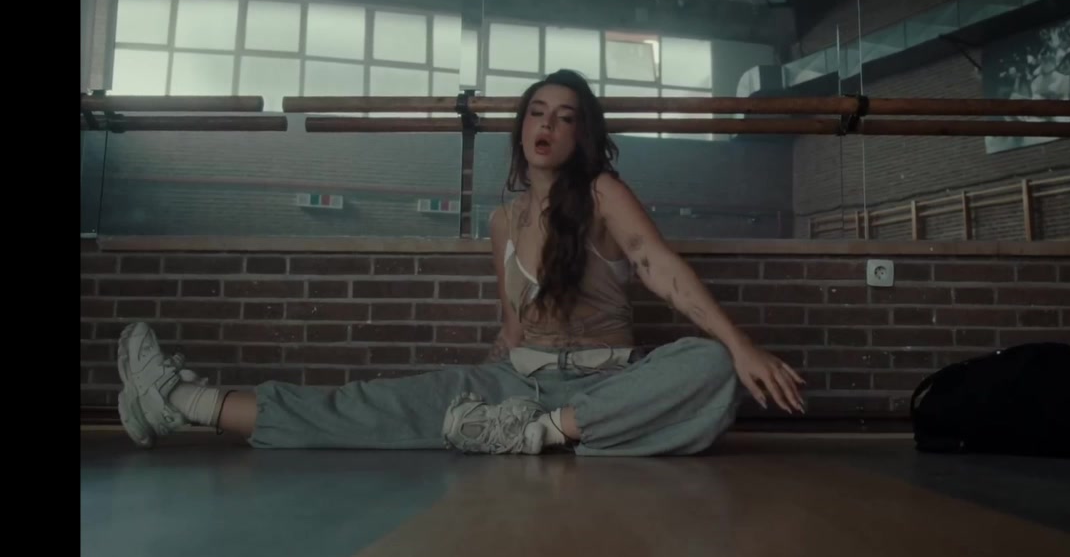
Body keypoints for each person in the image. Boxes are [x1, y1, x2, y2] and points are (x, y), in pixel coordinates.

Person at [115, 69, 806, 456]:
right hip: (514, 384)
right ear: (522, 127)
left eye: (565, 117)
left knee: (709, 366)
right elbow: (512, 329)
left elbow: (658, 264)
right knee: (367, 406)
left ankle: (538, 435)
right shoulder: (502, 221)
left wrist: (740, 345)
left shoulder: (602, 192)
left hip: (604, 384)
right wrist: (468, 387)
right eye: (537, 112)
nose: (547, 125)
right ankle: (181, 402)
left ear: (581, 134)